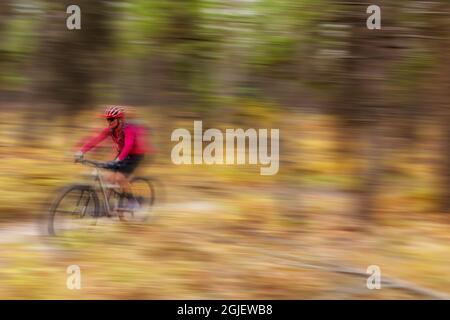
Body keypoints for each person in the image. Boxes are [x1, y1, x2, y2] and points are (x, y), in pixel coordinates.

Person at [75, 106, 153, 207]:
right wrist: (81, 151)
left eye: (111, 119)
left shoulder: (128, 129)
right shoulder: (110, 129)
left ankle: (133, 202)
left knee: (120, 178)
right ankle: (107, 205)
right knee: (109, 178)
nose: (109, 122)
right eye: (108, 119)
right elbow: (96, 140)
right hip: (122, 153)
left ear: (119, 120)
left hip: (135, 155)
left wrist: (119, 159)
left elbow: (128, 145)